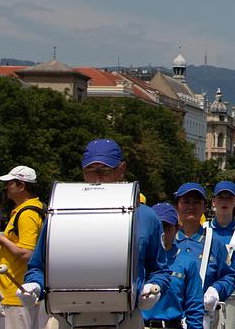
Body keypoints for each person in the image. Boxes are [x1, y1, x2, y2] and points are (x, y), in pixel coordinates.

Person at [21, 140, 170, 328]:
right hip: (66, 318)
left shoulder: (146, 216)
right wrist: (34, 286)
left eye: (104, 171)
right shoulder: (60, 212)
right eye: (89, 171)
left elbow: (159, 269)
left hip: (124, 319)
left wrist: (152, 288)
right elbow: (38, 266)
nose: (96, 178)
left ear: (121, 168)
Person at [170, 183, 235, 317]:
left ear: (204, 207)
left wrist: (216, 289)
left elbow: (229, 277)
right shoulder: (168, 239)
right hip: (171, 316)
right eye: (186, 202)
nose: (191, 207)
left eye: (196, 202)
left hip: (203, 317)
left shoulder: (214, 242)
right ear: (177, 206)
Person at [0, 166, 44, 329]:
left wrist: (0, 238)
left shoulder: (27, 214)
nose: (6, 187)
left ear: (21, 186)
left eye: (9, 183)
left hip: (17, 292)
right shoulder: (34, 208)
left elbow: (27, 254)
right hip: (22, 291)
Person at [142, 203, 204, 329]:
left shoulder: (187, 262)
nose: (162, 232)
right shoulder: (139, 260)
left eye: (166, 227)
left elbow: (195, 306)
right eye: (157, 226)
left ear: (176, 228)